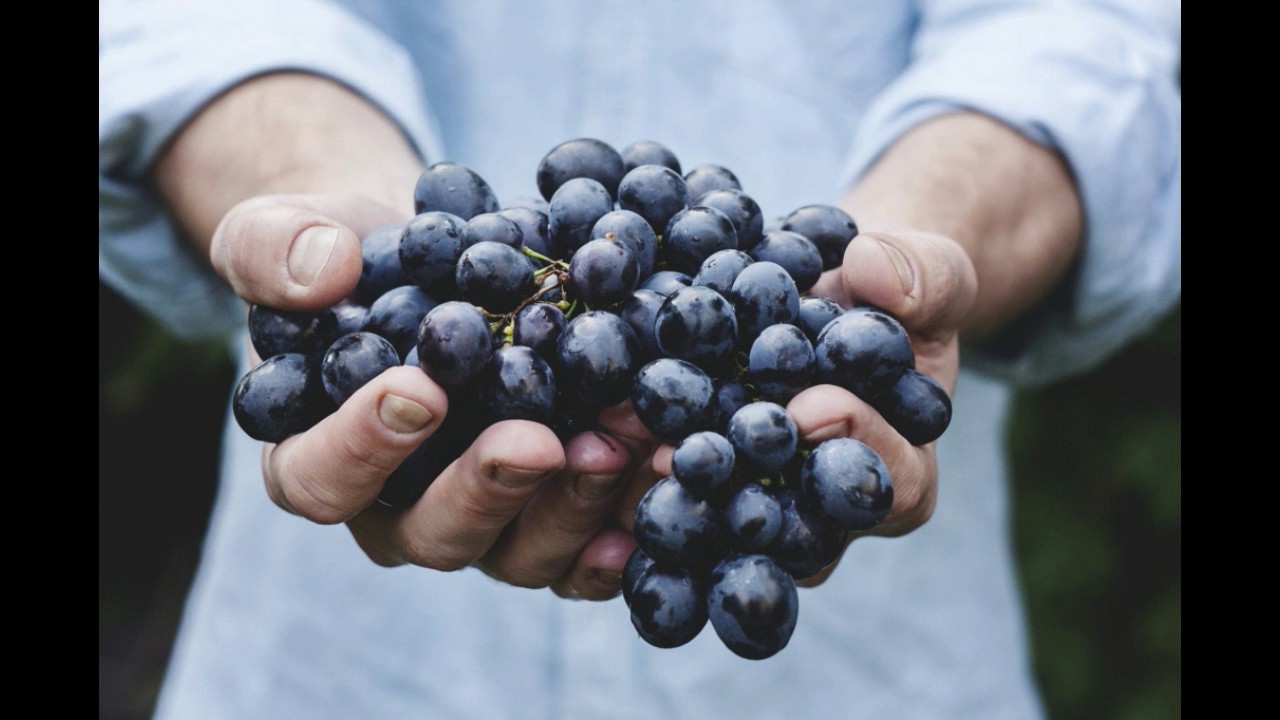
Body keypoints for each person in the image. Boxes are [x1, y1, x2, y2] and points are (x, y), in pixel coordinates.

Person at [99, 2, 1181, 717]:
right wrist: (329, 229)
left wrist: (912, 245)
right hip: (339, 669)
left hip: (868, 670)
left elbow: (1084, 35)